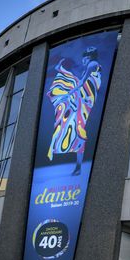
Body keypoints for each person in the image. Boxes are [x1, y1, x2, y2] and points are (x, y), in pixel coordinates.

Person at [46, 46, 101, 175]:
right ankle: (78, 167)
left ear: (90, 57)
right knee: (77, 130)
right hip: (83, 99)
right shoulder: (89, 67)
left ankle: (78, 166)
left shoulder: (93, 64)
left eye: (85, 57)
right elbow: (80, 82)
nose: (83, 59)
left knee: (79, 129)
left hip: (85, 100)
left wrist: (69, 92)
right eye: (84, 57)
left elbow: (81, 82)